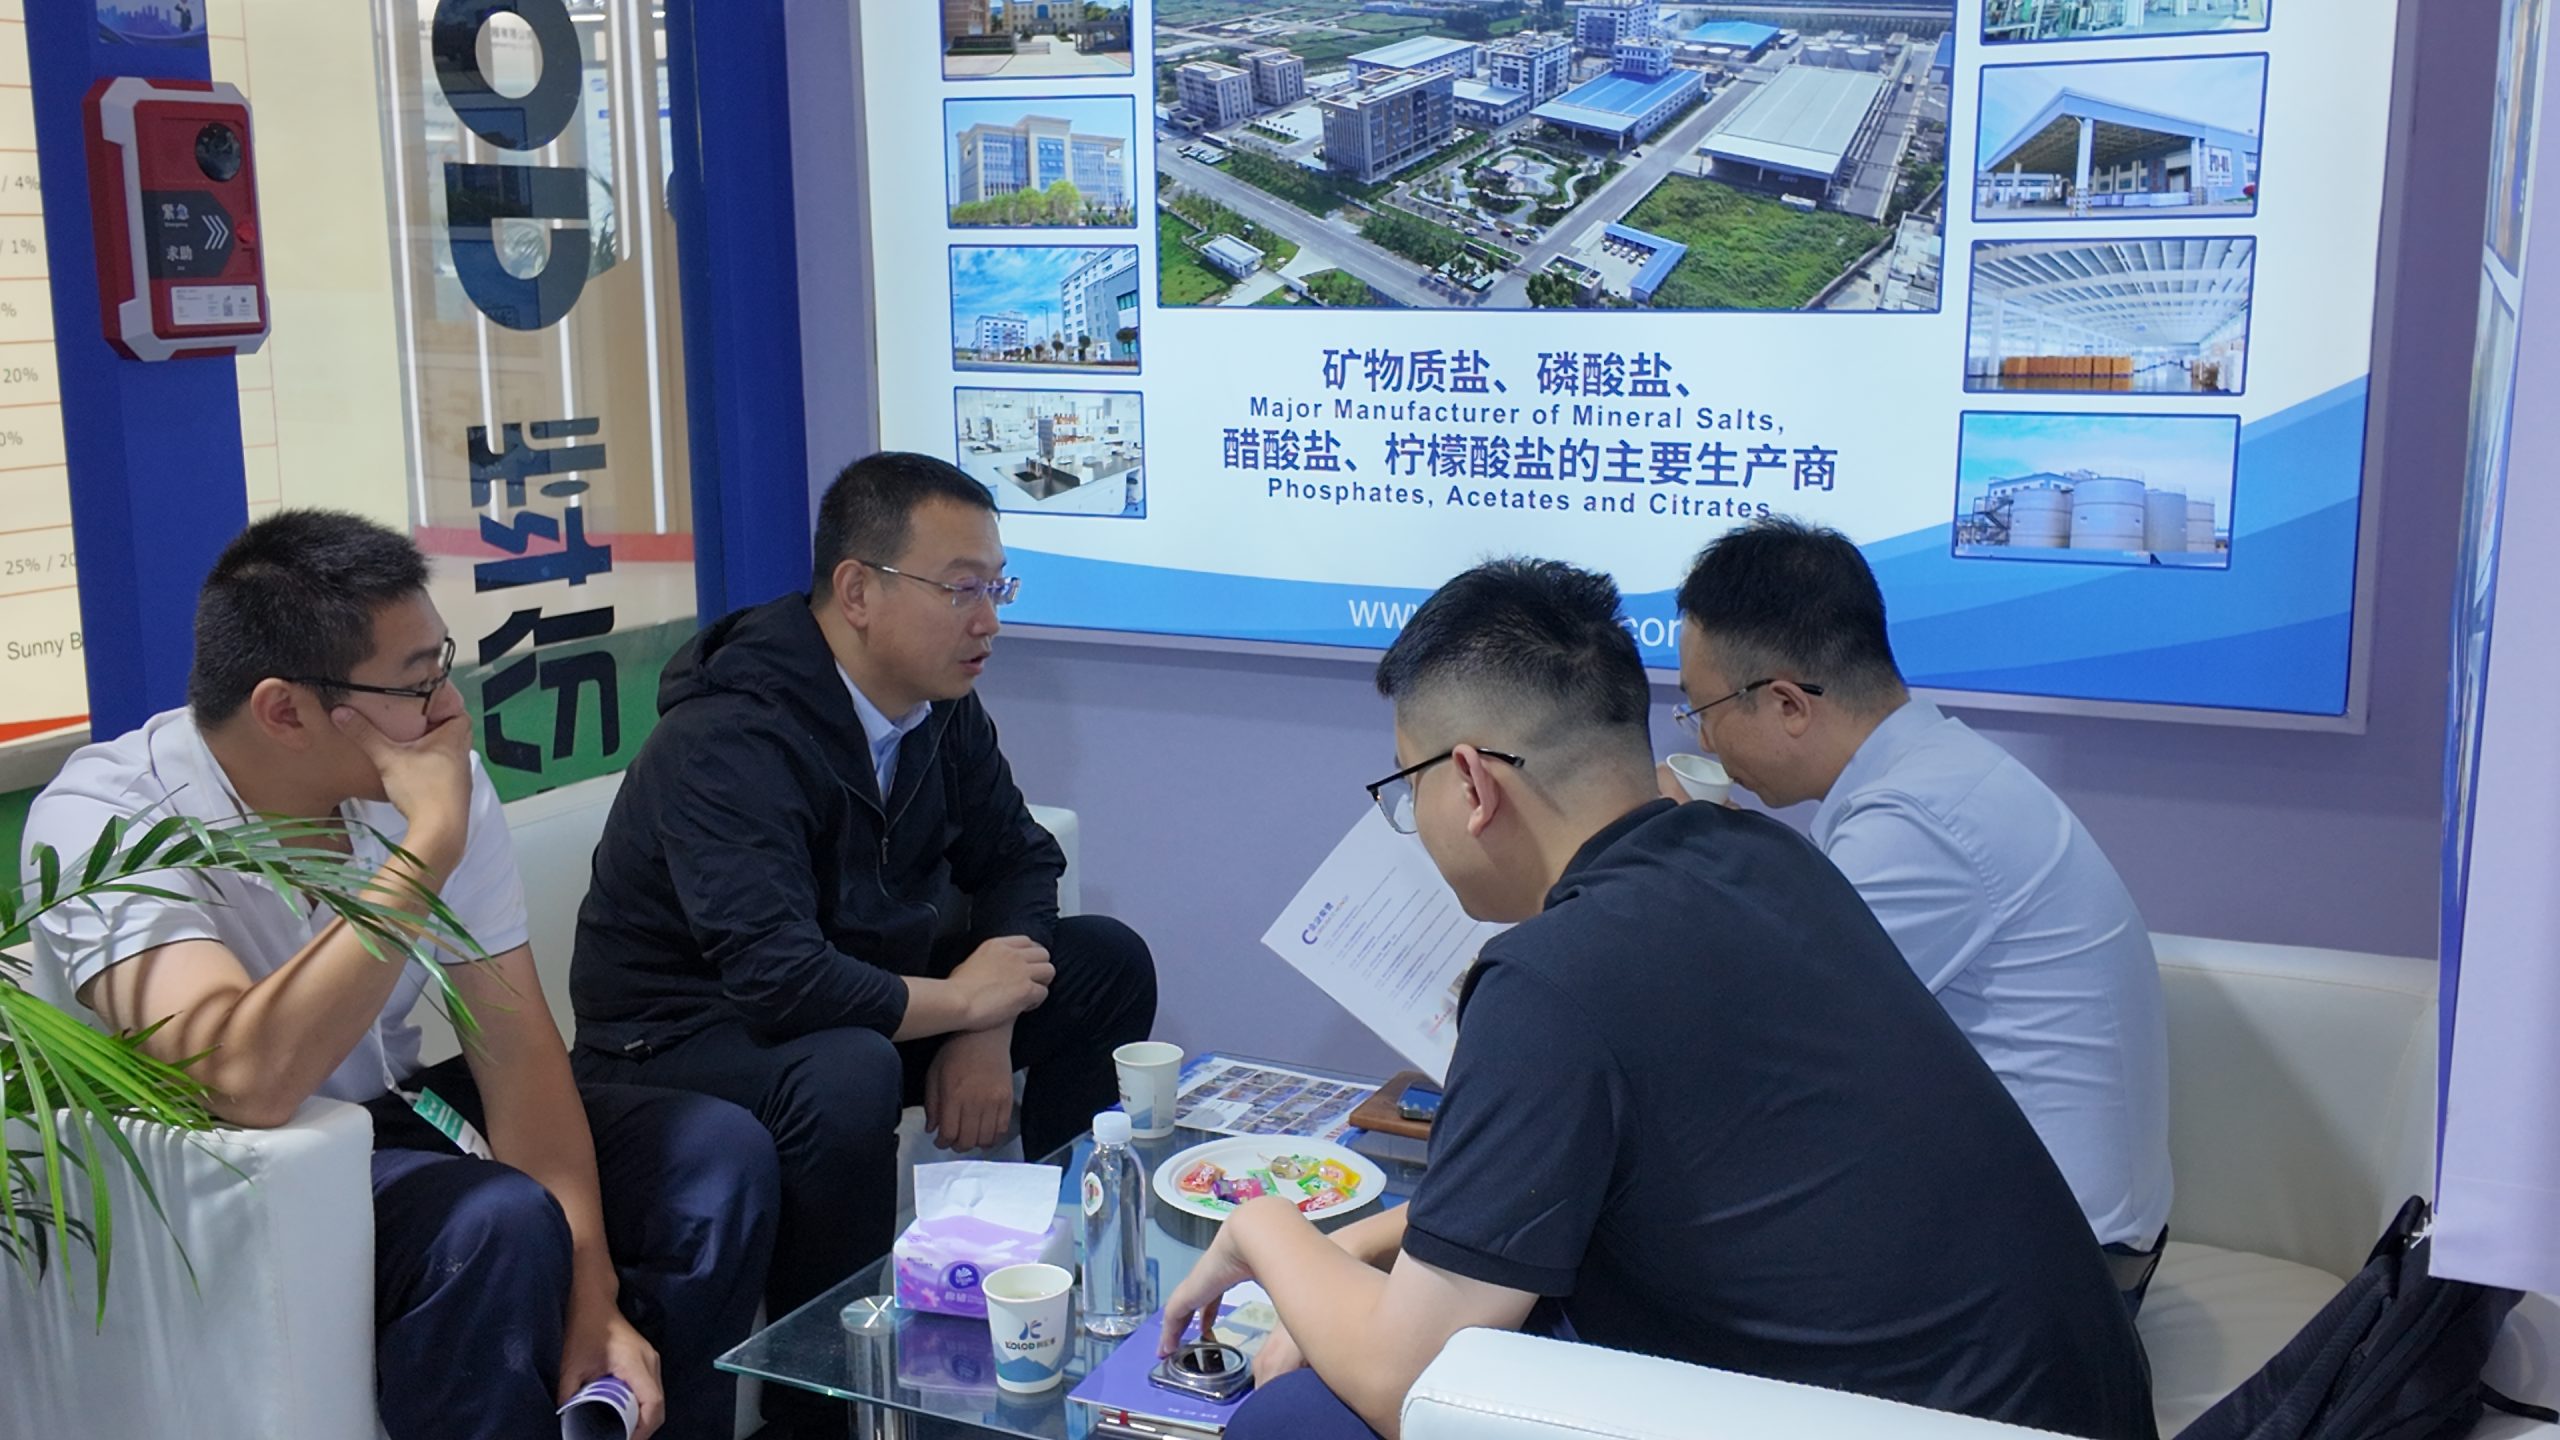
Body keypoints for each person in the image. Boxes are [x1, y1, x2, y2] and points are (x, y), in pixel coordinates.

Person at [1162, 558, 2155, 1440]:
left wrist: (1262, 1227)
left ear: (1470, 783)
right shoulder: (1762, 857)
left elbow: (1400, 1379)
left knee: (1298, 1417)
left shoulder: (1549, 979)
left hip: (1909, 1419)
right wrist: (1357, 1248)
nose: (1410, 817)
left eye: (1405, 784)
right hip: (2073, 1397)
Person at [22, 511, 777, 1440]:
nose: (448, 709)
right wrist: (427, 849)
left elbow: (517, 1056)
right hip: (229, 1171)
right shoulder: (109, 818)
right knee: (495, 1220)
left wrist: (595, 1300)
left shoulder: (424, 773)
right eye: (416, 684)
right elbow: (243, 1082)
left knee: (713, 1154)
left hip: (390, 1111)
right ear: (285, 711)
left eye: (442, 667)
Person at [568, 452, 1157, 1398]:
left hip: (855, 1003)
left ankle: (1063, 1289)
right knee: (850, 1069)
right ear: (857, 591)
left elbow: (1020, 859)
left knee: (1104, 962)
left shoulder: (938, 707)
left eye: (996, 587)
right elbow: (779, 977)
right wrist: (961, 1001)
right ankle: (832, 1393)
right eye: (961, 589)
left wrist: (985, 1022)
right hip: (682, 1039)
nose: (989, 620)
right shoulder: (729, 735)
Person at [1668, 517, 2173, 1305]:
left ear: (1788, 704)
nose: (1702, 738)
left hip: (2054, 1281)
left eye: (1704, 708)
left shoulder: (1917, 824)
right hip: (2049, 1238)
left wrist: (1661, 857)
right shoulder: (1935, 773)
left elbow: (1744, 1041)